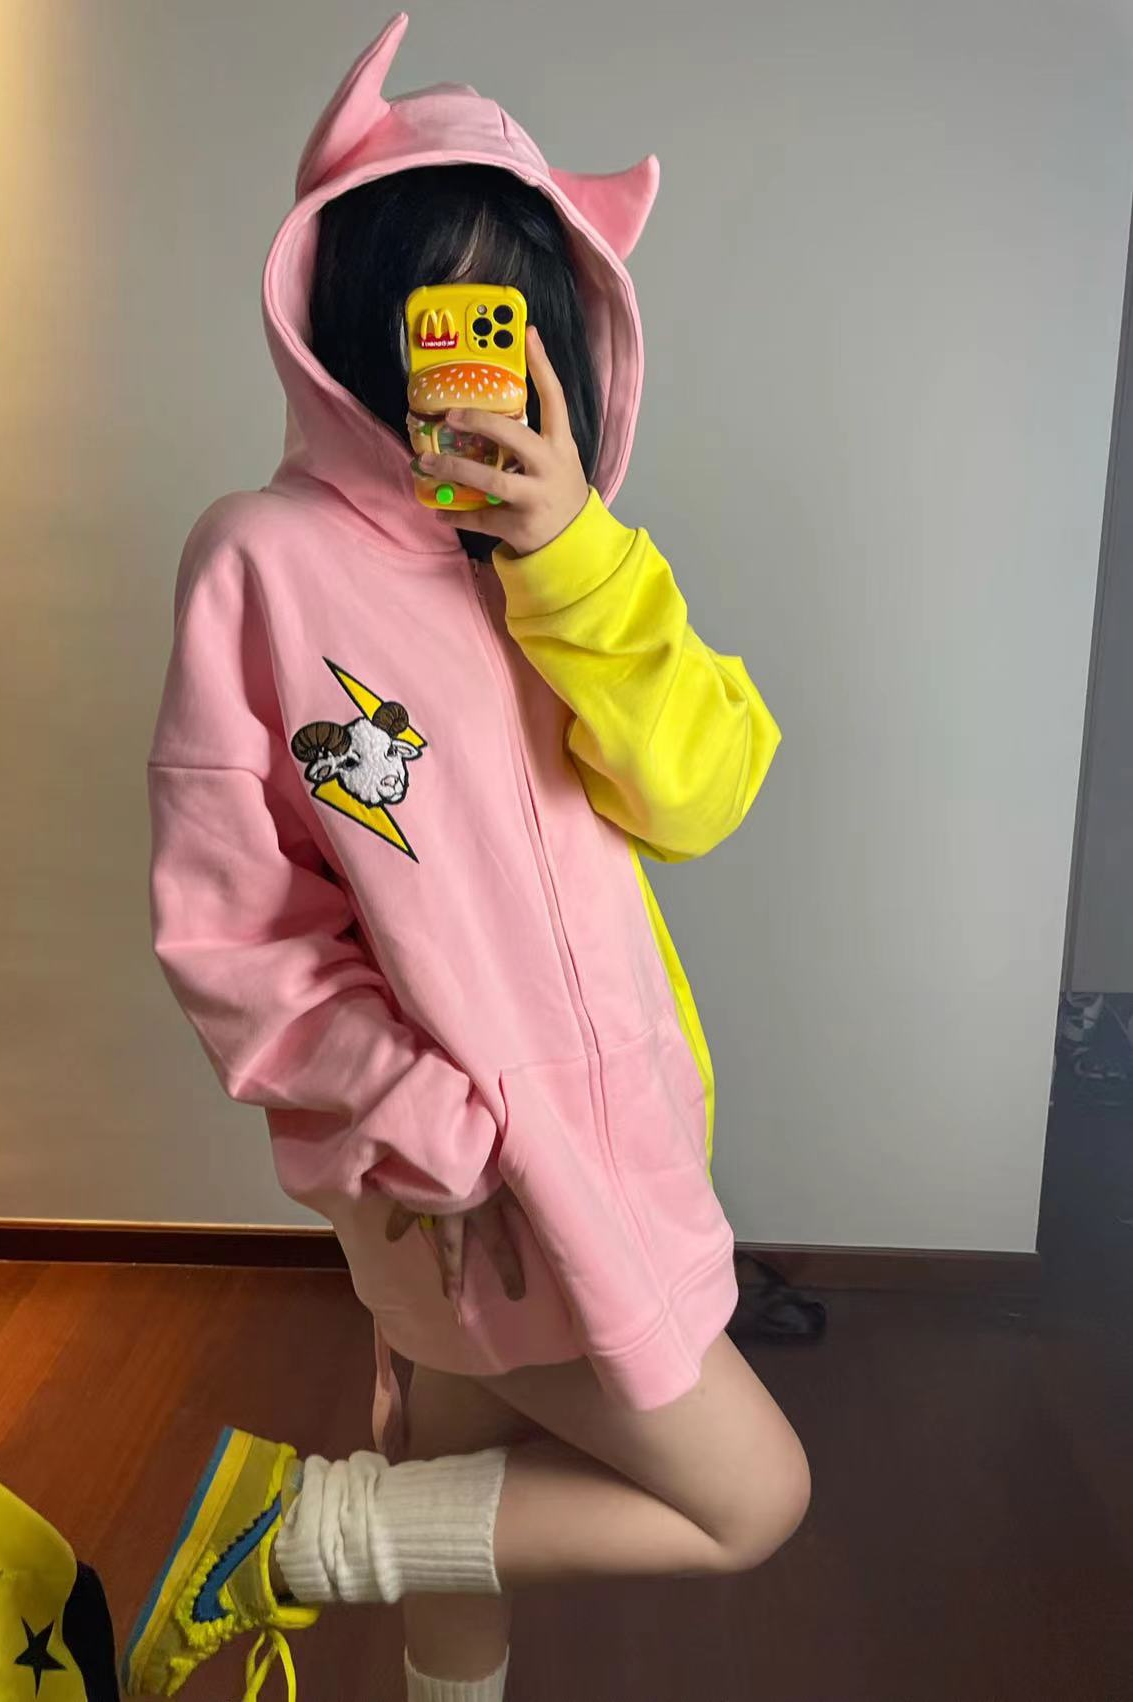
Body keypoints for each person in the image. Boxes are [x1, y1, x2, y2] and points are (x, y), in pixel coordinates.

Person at [123, 13, 809, 1702]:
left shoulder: (566, 569)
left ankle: (354, 1542)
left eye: (509, 328)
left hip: (598, 1150)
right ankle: (301, 1534)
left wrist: (574, 554)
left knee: (462, 1550)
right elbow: (237, 932)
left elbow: (706, 787)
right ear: (355, 327)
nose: (473, 376)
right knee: (754, 1497)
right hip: (472, 1180)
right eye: (440, 325)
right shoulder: (262, 563)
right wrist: (442, 1132)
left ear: (564, 345)